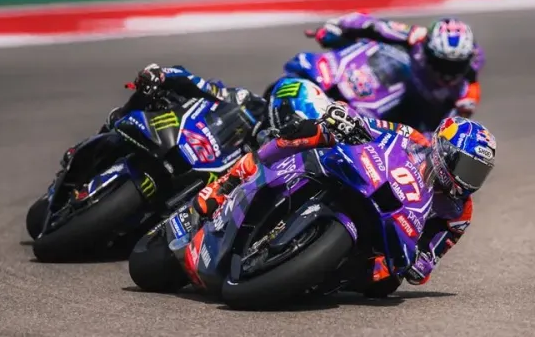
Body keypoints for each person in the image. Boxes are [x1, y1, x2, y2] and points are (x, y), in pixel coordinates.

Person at [191, 99, 496, 287]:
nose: (469, 180)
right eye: (467, 167)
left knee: (384, 284)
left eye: (478, 173)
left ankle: (313, 278)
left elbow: (431, 256)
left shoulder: (460, 212)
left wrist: (422, 263)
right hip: (364, 177)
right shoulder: (412, 138)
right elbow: (370, 126)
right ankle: (234, 176)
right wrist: (346, 120)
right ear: (444, 151)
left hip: (391, 233)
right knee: (314, 130)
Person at [61, 63, 266, 167]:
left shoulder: (249, 146)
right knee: (125, 114)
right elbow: (188, 78)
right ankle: (87, 147)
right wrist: (160, 75)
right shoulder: (227, 96)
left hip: (200, 159)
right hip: (171, 124)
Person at [305, 13, 485, 119]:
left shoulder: (471, 72)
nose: (447, 73)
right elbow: (374, 25)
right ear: (428, 50)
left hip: (421, 116)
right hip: (393, 86)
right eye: (442, 63)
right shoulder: (417, 37)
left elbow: (472, 87)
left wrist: (467, 102)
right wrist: (337, 27)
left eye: (454, 66)